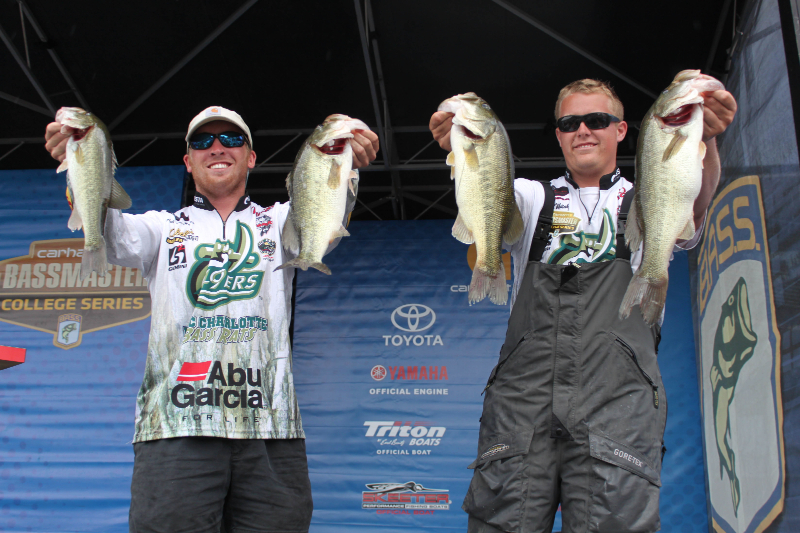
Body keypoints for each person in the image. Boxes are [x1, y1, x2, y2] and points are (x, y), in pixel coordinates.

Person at [44, 106, 379, 533]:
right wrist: (79, 160)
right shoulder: (162, 228)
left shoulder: (279, 221)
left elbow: (324, 217)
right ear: (188, 161)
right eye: (203, 141)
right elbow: (109, 233)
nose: (217, 148)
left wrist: (347, 161)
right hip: (174, 426)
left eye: (231, 139)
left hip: (271, 427)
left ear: (251, 157)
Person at [429, 79, 736, 533]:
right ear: (558, 135)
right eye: (570, 123)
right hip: (523, 403)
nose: (583, 131)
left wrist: (704, 138)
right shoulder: (531, 197)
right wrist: (460, 142)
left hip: (617, 402)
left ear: (621, 130)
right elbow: (485, 186)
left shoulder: (651, 193)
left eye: (597, 120)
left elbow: (695, 201)